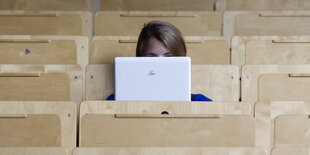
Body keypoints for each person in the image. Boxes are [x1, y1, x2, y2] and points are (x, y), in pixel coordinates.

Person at [107, 21, 212, 101]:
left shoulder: (200, 102)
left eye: (169, 57)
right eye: (151, 57)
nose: (160, 65)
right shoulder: (115, 101)